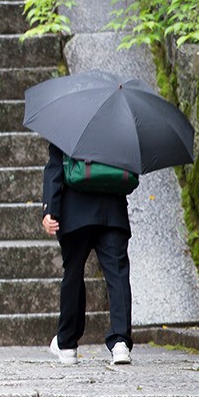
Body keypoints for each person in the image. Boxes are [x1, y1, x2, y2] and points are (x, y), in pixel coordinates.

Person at [41, 143, 133, 365]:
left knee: (73, 275)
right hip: (113, 211)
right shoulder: (119, 125)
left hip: (75, 212)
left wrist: (50, 209)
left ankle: (68, 345)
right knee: (117, 276)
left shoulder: (68, 126)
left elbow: (55, 168)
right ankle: (120, 343)